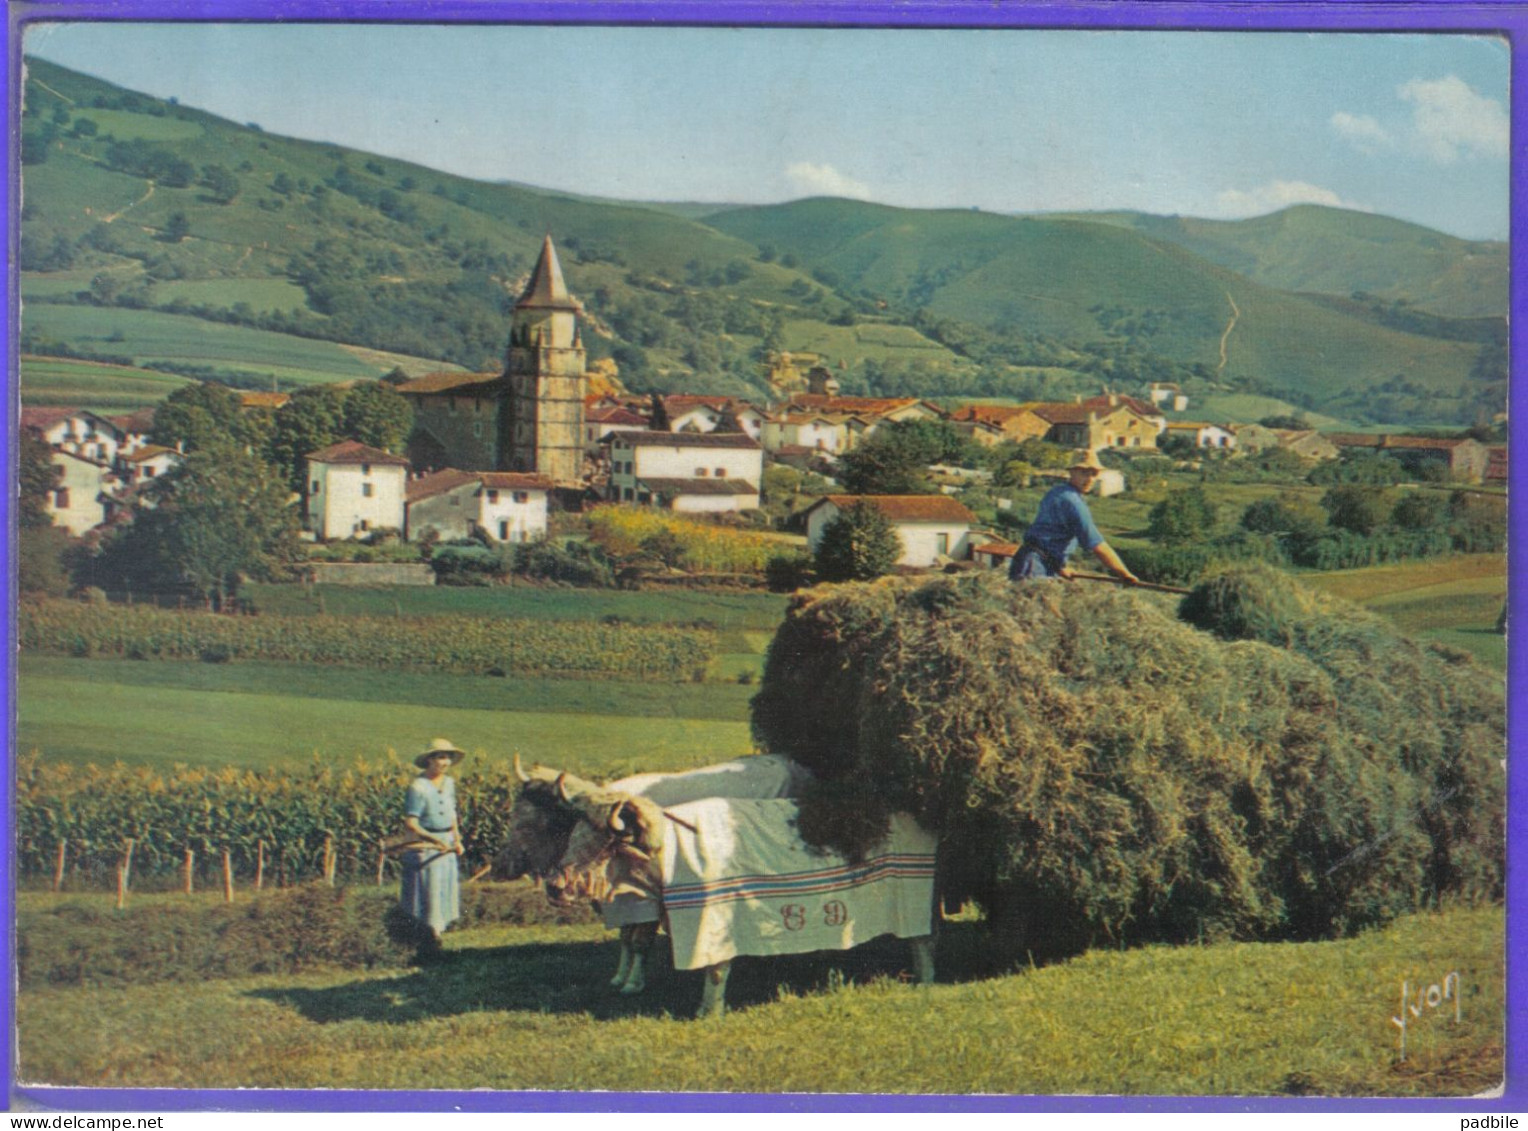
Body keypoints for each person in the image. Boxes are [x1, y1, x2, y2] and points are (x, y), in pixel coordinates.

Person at [1009, 449, 1141, 585]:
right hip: (1034, 566)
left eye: (1094, 474)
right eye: (1084, 473)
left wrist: (1059, 567)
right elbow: (1097, 544)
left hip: (1033, 561)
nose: (1090, 479)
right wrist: (1124, 573)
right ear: (1072, 472)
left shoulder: (1057, 492)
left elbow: (1050, 534)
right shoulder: (1072, 502)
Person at [400, 737, 467, 957]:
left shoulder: (449, 784)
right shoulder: (418, 787)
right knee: (428, 894)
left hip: (445, 846)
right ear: (429, 760)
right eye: (440, 757)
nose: (445, 762)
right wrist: (433, 839)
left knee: (443, 892)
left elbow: (452, 815)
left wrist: (456, 840)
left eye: (448, 757)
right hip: (426, 848)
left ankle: (436, 939)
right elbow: (411, 822)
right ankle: (427, 942)